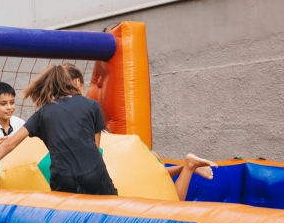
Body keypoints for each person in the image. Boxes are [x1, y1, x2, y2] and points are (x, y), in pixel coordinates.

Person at [62, 62, 218, 201]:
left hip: (113, 167)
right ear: (79, 84)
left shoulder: (66, 113)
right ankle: (187, 167)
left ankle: (189, 166)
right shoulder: (87, 109)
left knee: (172, 207)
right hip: (131, 156)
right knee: (158, 179)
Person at [0, 65, 118, 195]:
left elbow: (9, 144)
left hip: (63, 178)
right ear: (75, 83)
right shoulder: (91, 105)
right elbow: (96, 149)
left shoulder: (44, 112)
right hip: (93, 174)